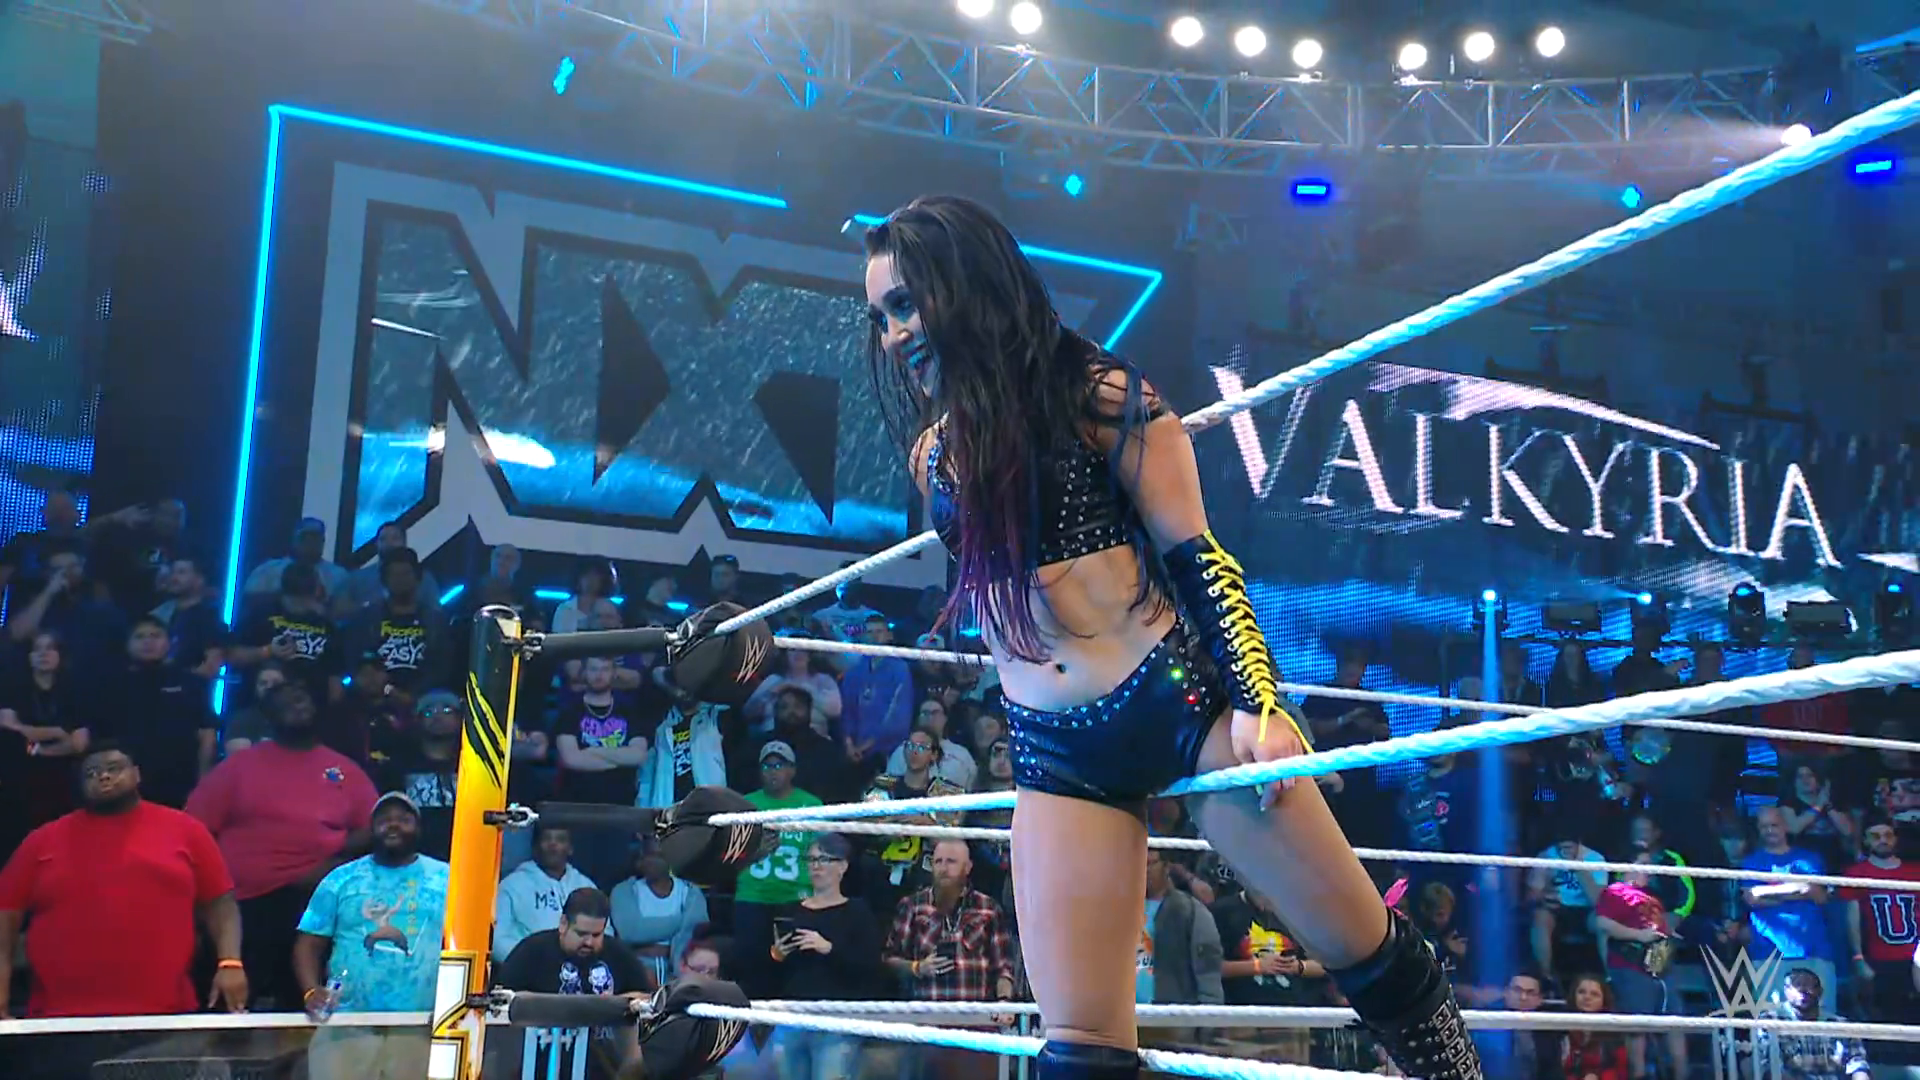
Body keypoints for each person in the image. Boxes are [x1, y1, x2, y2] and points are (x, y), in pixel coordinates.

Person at [858, 195, 1475, 1080]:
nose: (892, 335)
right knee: (1080, 1057)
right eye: (880, 317)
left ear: (964, 286)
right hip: (1054, 749)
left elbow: (1201, 559)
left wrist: (1262, 704)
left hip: (1172, 698)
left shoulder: (1103, 396)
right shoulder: (936, 456)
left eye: (904, 306)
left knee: (1369, 955)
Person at [0, 743, 246, 1018]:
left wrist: (230, 962)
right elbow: (5, 915)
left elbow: (221, 904)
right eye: (92, 773)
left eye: (113, 768)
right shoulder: (42, 841)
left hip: (166, 1013)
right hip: (59, 1017)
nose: (103, 776)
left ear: (137, 774)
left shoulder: (186, 830)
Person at [294, 792, 447, 1080]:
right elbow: (309, 943)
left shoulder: (447, 878)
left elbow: (469, 943)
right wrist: (311, 990)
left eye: (403, 819)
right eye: (384, 819)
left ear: (419, 828)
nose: (393, 825)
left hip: (420, 1023)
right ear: (371, 829)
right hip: (347, 1024)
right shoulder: (341, 878)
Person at [497, 887, 654, 1080]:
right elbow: (502, 1003)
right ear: (563, 924)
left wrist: (615, 1005)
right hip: (537, 1063)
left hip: (602, 1066)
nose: (589, 942)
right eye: (581, 934)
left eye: (596, 935)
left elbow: (645, 998)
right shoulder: (532, 951)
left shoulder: (618, 954)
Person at [768, 834, 881, 1080]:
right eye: (811, 859)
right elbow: (772, 973)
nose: (816, 866)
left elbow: (870, 966)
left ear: (843, 866)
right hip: (792, 1014)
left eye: (824, 859)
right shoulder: (791, 911)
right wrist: (777, 955)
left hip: (836, 1018)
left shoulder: (857, 912)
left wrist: (829, 948)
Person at [1752, 968, 1871, 1080]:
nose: (1803, 990)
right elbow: (1770, 1067)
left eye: (1809, 984)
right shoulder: (1770, 1021)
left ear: (1820, 991)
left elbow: (1858, 1063)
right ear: (1786, 991)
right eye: (1797, 984)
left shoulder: (1840, 1024)